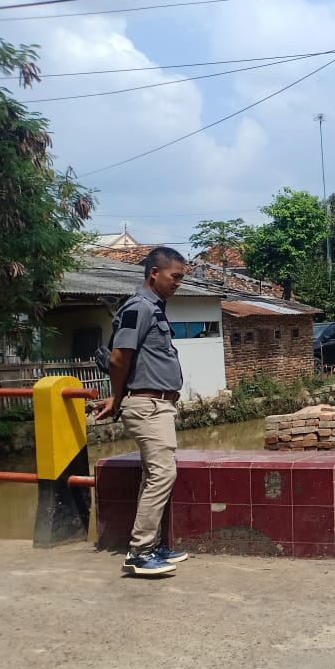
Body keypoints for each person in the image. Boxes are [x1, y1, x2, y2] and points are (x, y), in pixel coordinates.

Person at [94, 247, 190, 577]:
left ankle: (151, 544)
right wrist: (118, 399)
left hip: (158, 403)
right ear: (154, 273)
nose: (179, 283)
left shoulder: (154, 309)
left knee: (154, 473)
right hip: (147, 404)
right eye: (175, 277)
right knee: (164, 472)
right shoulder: (139, 307)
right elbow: (119, 359)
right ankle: (140, 552)